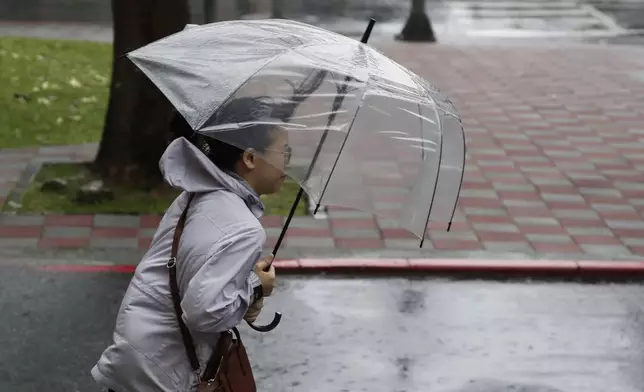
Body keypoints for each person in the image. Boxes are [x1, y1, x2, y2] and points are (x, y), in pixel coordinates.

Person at [91, 97, 291, 392]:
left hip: (135, 359)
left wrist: (244, 290)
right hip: (164, 374)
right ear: (249, 158)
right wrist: (255, 287)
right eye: (283, 150)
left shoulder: (196, 195)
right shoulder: (245, 229)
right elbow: (204, 312)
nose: (288, 160)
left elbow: (187, 277)